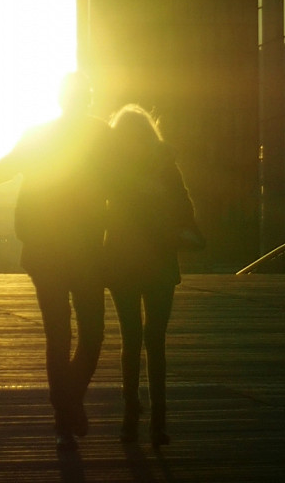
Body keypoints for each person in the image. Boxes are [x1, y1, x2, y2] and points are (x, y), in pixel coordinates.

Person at [0, 71, 112, 451]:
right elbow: (124, 180)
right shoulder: (102, 135)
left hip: (45, 250)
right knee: (92, 333)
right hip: (86, 251)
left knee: (58, 334)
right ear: (87, 98)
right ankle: (68, 404)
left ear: (61, 99)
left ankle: (64, 407)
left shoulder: (39, 135)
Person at [103, 104, 201, 447]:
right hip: (159, 261)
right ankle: (159, 422)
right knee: (155, 340)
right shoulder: (165, 165)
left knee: (130, 339)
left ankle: (130, 416)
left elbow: (99, 210)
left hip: (122, 262)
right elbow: (184, 206)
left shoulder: (112, 168)